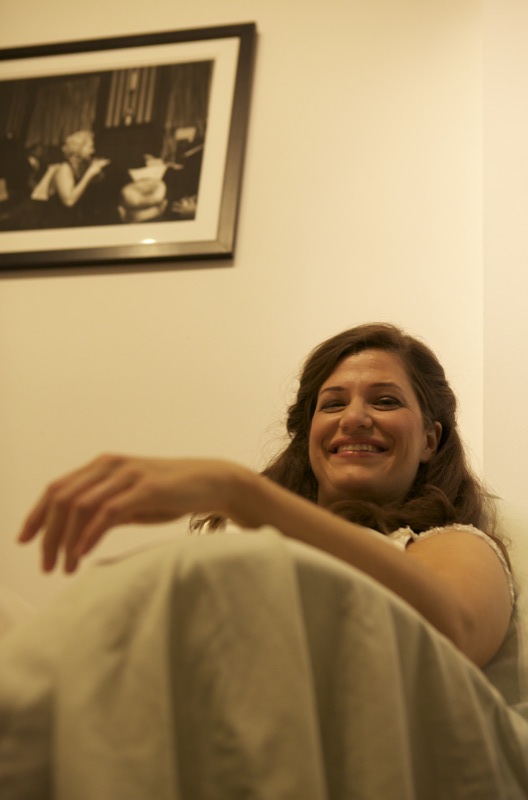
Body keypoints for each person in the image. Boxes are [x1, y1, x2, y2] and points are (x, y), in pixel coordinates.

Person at [17, 322, 514, 669]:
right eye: (333, 404)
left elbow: (454, 636)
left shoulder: (452, 543)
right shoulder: (236, 538)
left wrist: (240, 491)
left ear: (430, 440)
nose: (354, 418)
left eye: (385, 401)